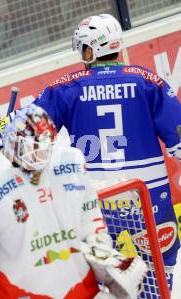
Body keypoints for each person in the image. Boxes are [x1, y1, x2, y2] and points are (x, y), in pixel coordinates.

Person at [34, 13, 181, 291]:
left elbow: (28, 133)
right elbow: (179, 136)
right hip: (148, 197)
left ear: (91, 49)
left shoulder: (66, 86)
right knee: (159, 276)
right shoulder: (148, 81)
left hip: (98, 201)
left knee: (101, 282)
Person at [0, 105, 147, 299]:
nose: (38, 156)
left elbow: (90, 223)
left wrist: (106, 262)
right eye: (31, 148)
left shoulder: (69, 163)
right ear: (13, 142)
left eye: (44, 146)